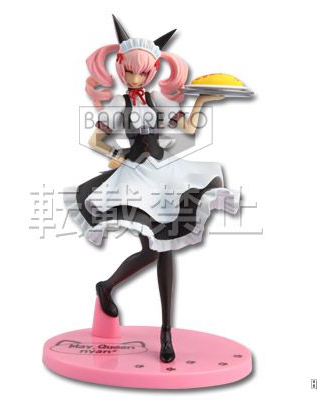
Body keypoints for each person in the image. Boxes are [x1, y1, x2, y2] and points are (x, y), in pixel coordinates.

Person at [64, 15, 240, 363]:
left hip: (165, 173)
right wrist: (116, 155)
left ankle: (164, 331)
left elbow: (188, 128)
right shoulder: (120, 104)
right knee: (154, 249)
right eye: (130, 71)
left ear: (153, 71)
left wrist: (202, 101)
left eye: (143, 72)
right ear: (121, 67)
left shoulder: (158, 99)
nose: (136, 77)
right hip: (135, 178)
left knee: (166, 247)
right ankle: (108, 287)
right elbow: (96, 140)